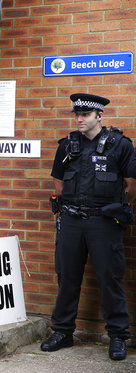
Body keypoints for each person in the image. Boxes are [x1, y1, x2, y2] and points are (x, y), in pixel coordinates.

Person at [42, 93, 135, 360]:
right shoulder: (67, 145)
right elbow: (58, 183)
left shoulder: (120, 145)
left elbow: (131, 185)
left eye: (85, 115)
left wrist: (115, 208)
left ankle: (117, 336)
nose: (79, 119)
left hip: (104, 222)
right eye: (77, 115)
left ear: (99, 116)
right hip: (71, 221)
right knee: (67, 278)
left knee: (110, 279)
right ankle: (63, 332)